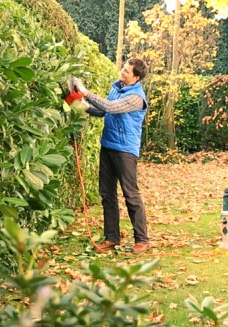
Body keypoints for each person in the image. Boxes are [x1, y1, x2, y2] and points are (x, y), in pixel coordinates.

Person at [72, 58, 150, 254]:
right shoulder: (117, 88)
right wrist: (85, 107)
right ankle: (112, 238)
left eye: (126, 72)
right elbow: (104, 112)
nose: (122, 73)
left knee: (130, 194)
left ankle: (142, 239)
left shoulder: (136, 98)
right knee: (107, 194)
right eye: (123, 69)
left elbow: (111, 107)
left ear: (136, 77)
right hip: (107, 145)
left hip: (125, 150)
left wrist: (85, 92)